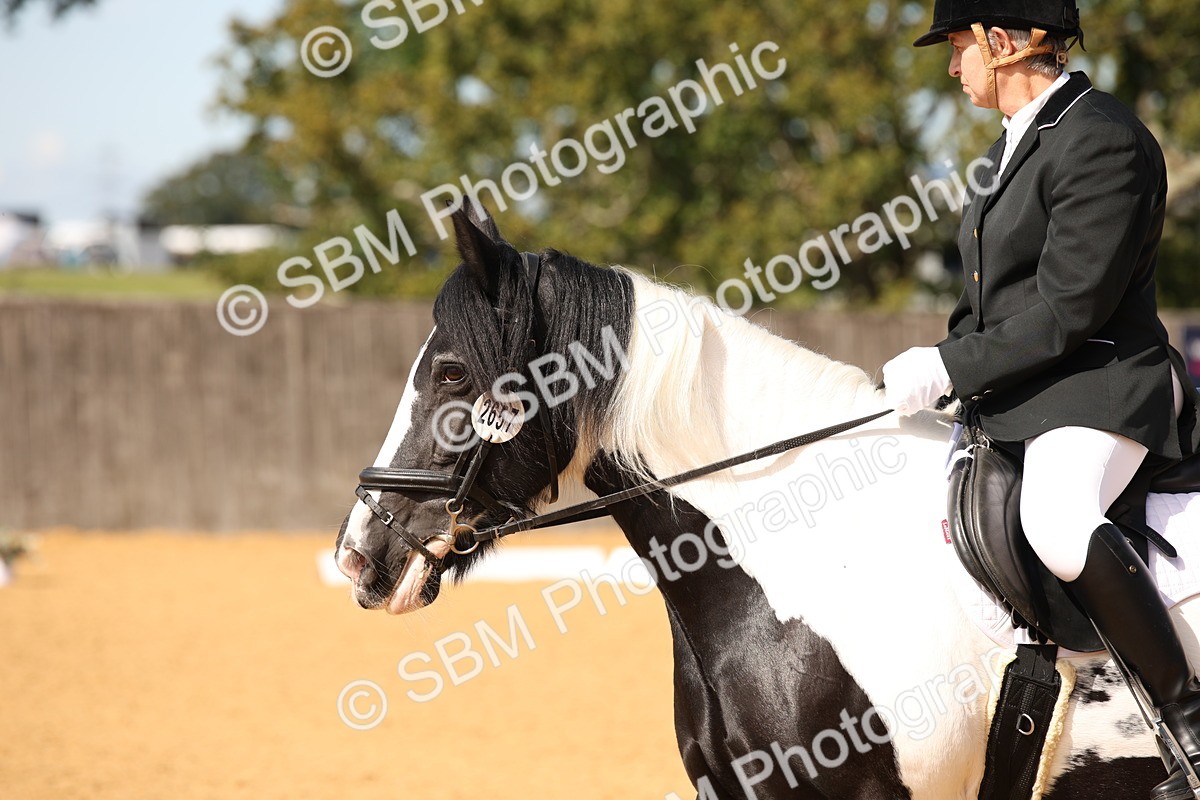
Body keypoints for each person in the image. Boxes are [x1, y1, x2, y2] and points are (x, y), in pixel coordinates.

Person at [883, 2, 1200, 797]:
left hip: (1102, 383)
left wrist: (949, 365)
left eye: (959, 47)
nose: (953, 67)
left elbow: (1069, 308)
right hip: (1027, 389)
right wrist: (949, 371)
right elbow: (988, 302)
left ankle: (1191, 725)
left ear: (1007, 39)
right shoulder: (1008, 149)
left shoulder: (1104, 137)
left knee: (1056, 518)